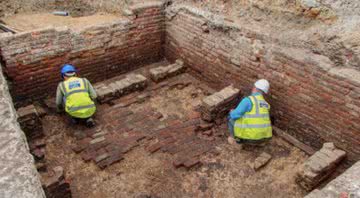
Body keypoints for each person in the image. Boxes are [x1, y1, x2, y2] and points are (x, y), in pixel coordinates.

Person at [228, 79, 272, 145]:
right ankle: (260, 142)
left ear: (254, 87)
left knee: (230, 118)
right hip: (265, 138)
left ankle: (235, 140)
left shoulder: (248, 100)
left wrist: (232, 112)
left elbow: (234, 115)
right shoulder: (266, 104)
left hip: (250, 138)